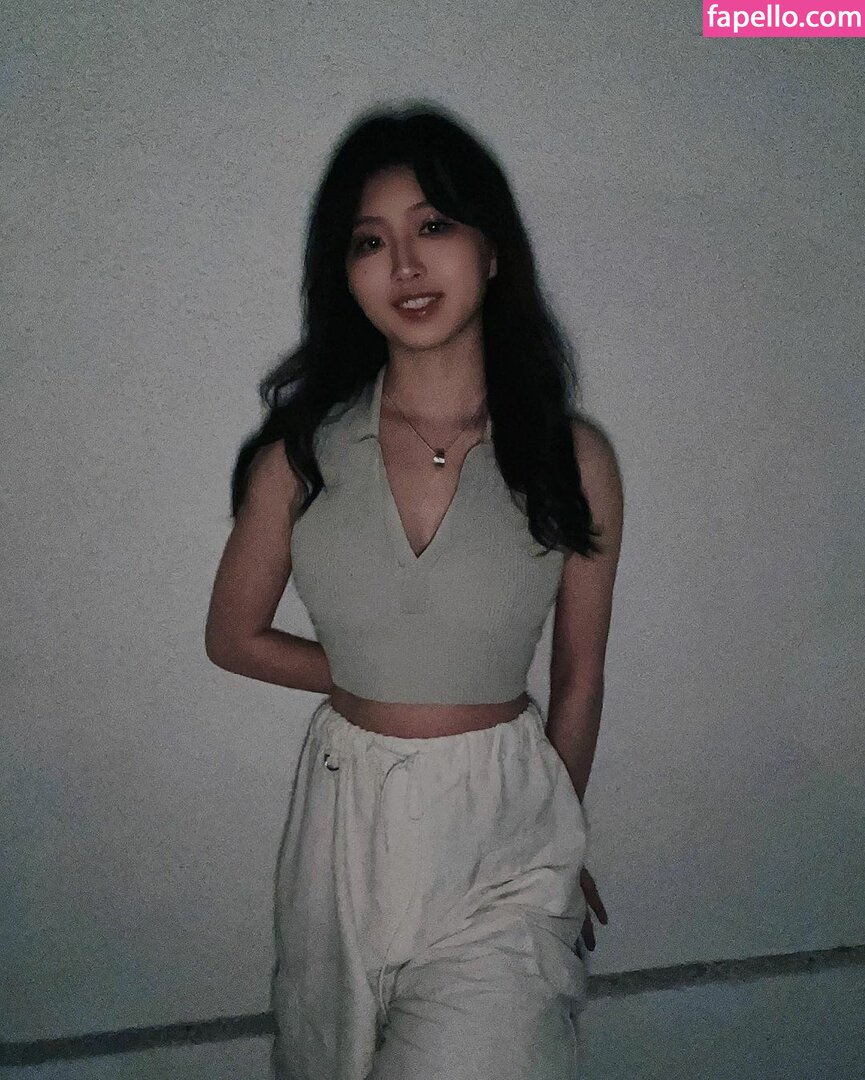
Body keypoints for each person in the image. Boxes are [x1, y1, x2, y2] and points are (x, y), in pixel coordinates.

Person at [205, 100, 623, 1080]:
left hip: (504, 833)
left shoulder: (570, 459)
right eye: (369, 241)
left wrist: (559, 840)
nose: (403, 264)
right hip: (342, 825)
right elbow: (234, 637)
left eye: (432, 225)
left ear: (492, 251)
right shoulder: (299, 458)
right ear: (344, 275)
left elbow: (577, 677)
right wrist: (377, 675)